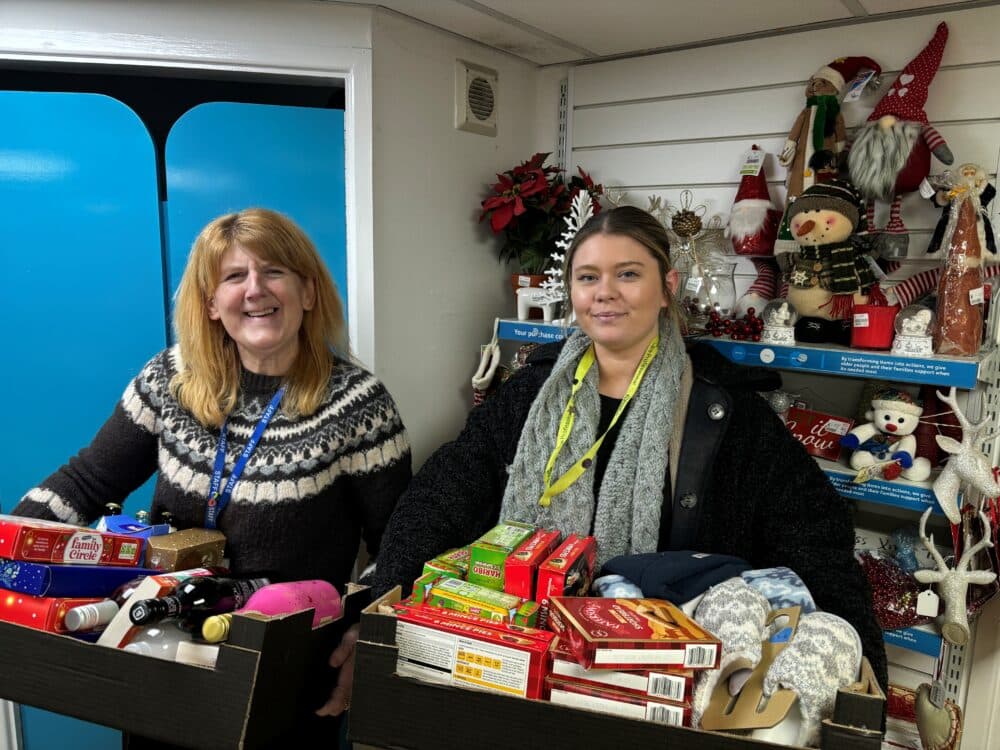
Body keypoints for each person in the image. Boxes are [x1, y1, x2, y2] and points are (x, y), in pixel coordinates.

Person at [333, 205, 887, 713]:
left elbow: (813, 535)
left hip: (663, 687)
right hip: (530, 661)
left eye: (628, 274)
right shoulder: (531, 396)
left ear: (666, 286)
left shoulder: (727, 411)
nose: (605, 293)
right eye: (587, 277)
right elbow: (444, 491)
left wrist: (870, 689)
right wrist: (381, 602)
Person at [13, 208, 411, 746]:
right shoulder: (169, 378)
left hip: (288, 677)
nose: (255, 290)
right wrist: (11, 543)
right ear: (209, 303)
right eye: (233, 276)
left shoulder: (358, 404)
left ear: (308, 292)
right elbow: (87, 482)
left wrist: (367, 636)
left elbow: (397, 541)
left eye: (274, 272)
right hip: (162, 652)